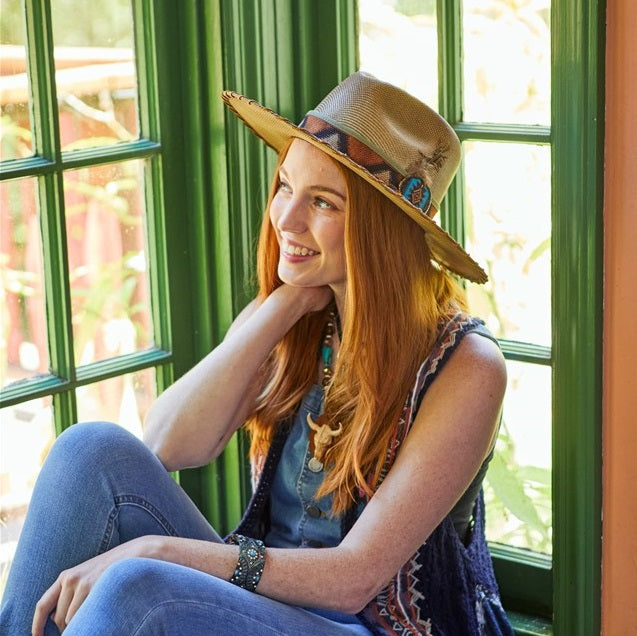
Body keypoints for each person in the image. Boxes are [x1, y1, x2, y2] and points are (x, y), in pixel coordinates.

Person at [0, 72, 513, 635]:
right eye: (285, 187)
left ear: (381, 231)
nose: (286, 219)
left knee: (138, 587)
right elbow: (167, 443)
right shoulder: (298, 316)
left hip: (377, 626)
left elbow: (354, 578)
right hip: (267, 609)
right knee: (89, 451)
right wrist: (283, 306)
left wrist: (163, 551)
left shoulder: (466, 366)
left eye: (323, 202)